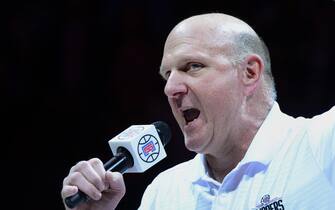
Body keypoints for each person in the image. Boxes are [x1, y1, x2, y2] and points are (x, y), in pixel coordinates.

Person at [61, 13, 335, 210]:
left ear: (250, 73)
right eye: (167, 74)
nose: (171, 88)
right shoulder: (165, 192)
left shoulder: (320, 143)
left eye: (192, 66)